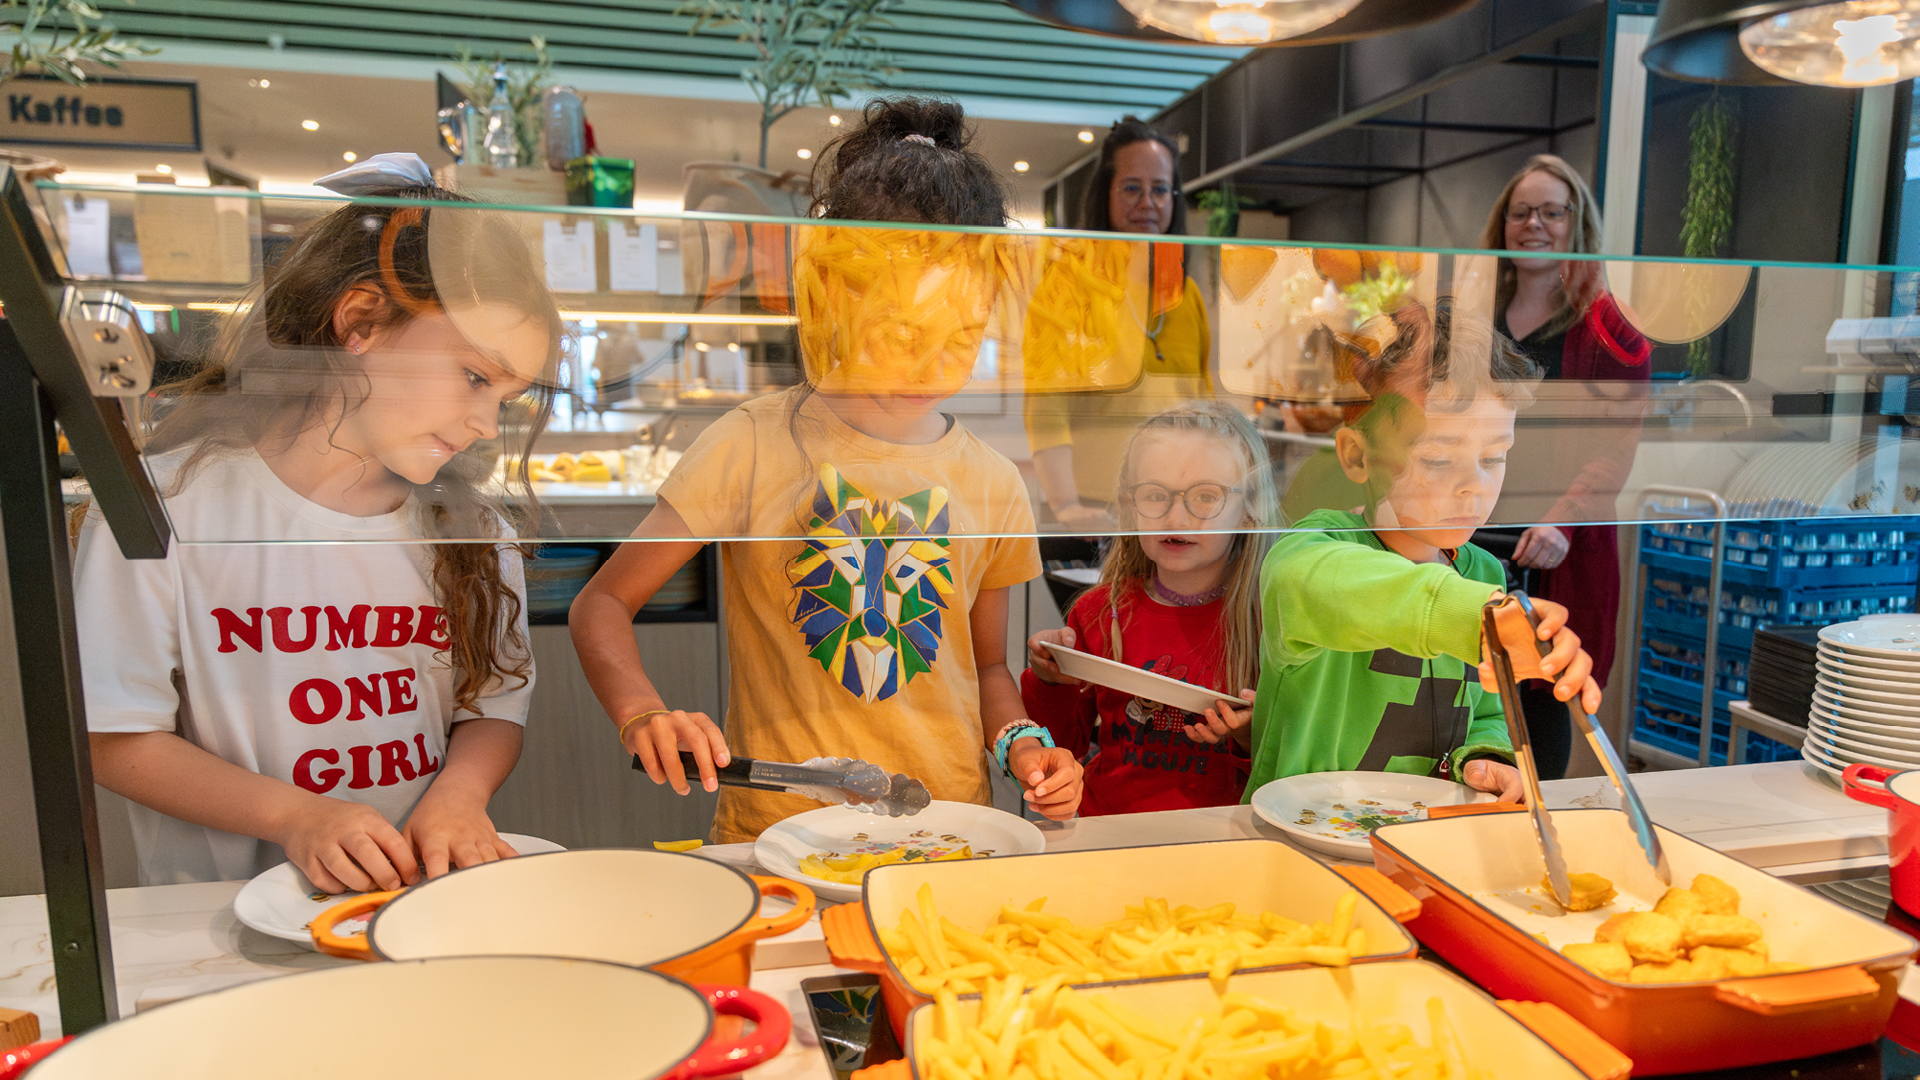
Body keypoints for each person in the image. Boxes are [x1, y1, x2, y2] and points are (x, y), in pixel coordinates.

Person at [570, 98, 1084, 844]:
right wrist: (642, 712)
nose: (929, 366)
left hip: (947, 826)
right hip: (781, 830)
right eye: (901, 332)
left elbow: (989, 671)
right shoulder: (751, 444)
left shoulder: (995, 481)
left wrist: (1024, 749)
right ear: (835, 296)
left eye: (961, 337)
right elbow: (602, 604)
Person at [75, 154, 562, 890]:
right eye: (474, 377)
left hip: (411, 899)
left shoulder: (473, 530)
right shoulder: (165, 506)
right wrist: (296, 817)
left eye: (506, 398)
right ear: (360, 321)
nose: (487, 425)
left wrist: (460, 794)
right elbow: (114, 736)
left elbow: (492, 706)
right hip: (221, 911)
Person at [1244, 300, 1604, 801]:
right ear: (1357, 456)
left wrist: (1486, 758)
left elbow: (1486, 712)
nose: (1473, 484)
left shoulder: (1482, 574)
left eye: (1493, 457)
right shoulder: (1308, 552)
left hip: (1424, 834)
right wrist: (1479, 620)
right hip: (1299, 830)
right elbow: (1332, 585)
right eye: (1436, 459)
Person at [1476, 154, 1651, 779]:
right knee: (1469, 694)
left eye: (1552, 212)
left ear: (1577, 225)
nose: (1534, 224)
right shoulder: (1475, 312)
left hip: (1553, 546)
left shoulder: (1609, 325)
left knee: (1541, 703)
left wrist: (1562, 519)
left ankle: (1532, 814)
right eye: (1521, 212)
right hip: (1475, 527)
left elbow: (1614, 444)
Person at [1021, 402, 1275, 815]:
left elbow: (1289, 770)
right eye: (1156, 495)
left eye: (1206, 497)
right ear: (1129, 504)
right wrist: (1049, 680)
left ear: (1250, 511)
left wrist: (1248, 736)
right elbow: (1057, 748)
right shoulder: (1097, 612)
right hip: (1109, 832)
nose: (1176, 518)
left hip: (1226, 838)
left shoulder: (1270, 619)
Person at [1026, 117, 1213, 613]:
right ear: (1105, 194)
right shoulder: (1068, 285)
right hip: (1093, 515)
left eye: (1160, 189)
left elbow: (1203, 407)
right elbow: (1046, 403)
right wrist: (1067, 505)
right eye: (1132, 187)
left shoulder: (1187, 294)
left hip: (1174, 514)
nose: (1147, 202)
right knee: (1096, 649)